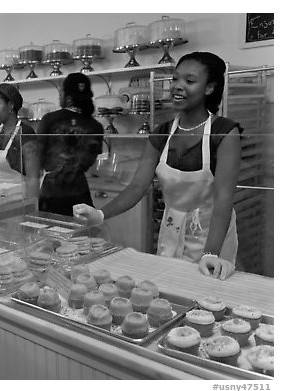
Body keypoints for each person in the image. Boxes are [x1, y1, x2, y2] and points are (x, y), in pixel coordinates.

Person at [73, 52, 241, 281]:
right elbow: (137, 186)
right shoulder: (162, 133)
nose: (177, 87)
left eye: (189, 81)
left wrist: (210, 253)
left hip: (212, 235)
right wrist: (100, 215)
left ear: (209, 88)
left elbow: (223, 199)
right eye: (175, 79)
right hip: (172, 229)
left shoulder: (223, 132)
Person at [36, 72, 104, 216]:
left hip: (52, 192)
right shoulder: (96, 126)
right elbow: (90, 161)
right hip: (80, 190)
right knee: (82, 235)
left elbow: (38, 156)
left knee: (51, 233)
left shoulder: (50, 119)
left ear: (67, 97)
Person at [0, 83, 40, 198]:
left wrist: (31, 208)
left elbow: (33, 178)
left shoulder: (25, 132)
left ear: (10, 105)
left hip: (16, 198)